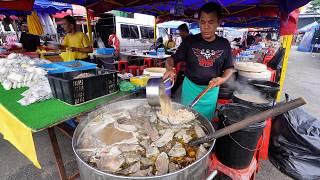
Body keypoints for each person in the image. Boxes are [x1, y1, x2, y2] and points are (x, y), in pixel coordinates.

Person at [164, 2, 234, 120]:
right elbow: (171, 59)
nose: (206, 26)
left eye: (211, 22)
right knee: (185, 119)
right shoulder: (190, 41)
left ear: (218, 22)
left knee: (205, 123)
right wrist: (170, 69)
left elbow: (229, 68)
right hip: (190, 88)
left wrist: (222, 79)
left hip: (210, 91)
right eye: (202, 22)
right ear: (199, 22)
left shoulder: (224, 44)